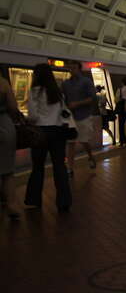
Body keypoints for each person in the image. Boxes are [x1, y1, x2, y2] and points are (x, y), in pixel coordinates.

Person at [25, 64, 72, 213]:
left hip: (40, 132)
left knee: (38, 167)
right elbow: (64, 113)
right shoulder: (57, 92)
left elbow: (33, 116)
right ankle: (64, 202)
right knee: (59, 166)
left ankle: (34, 201)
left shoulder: (34, 92)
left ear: (37, 75)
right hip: (57, 132)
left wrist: (27, 119)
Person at [62, 60, 97, 174]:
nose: (72, 70)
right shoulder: (65, 83)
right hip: (71, 118)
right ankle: (70, 168)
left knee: (84, 140)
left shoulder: (86, 82)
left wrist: (77, 104)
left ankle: (91, 156)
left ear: (79, 69)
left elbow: (92, 98)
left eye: (74, 68)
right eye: (70, 68)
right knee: (70, 143)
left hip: (84, 116)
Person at [0, 75, 21, 219]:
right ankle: (12, 205)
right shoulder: (3, 83)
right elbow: (13, 107)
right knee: (7, 171)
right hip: (4, 125)